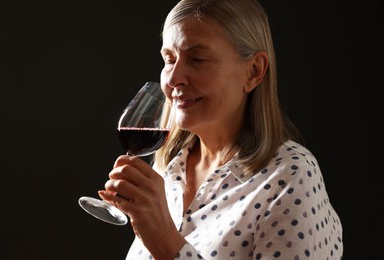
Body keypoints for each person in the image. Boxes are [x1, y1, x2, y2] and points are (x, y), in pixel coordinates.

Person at [98, 0, 344, 259]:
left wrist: (163, 238)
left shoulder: (291, 175)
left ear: (253, 71)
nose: (173, 78)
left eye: (198, 59)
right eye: (169, 59)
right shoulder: (167, 170)